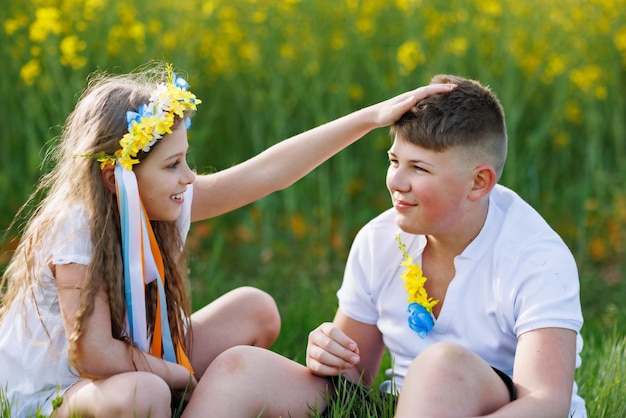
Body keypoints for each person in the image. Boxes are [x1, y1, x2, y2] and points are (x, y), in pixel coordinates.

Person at [0, 61, 454, 418]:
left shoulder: (161, 201)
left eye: (185, 158)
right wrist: (177, 375)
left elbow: (269, 173)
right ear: (116, 178)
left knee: (254, 307)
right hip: (58, 393)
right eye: (173, 164)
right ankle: (176, 399)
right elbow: (93, 354)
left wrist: (372, 118)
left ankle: (201, 405)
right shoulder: (75, 227)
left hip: (131, 362)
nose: (189, 175)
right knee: (145, 391)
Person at [194, 74, 586, 418]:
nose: (396, 182)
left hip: (500, 405)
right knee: (239, 369)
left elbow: (546, 402)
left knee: (440, 366)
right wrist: (326, 353)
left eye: (419, 168)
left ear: (479, 183)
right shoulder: (379, 238)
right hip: (397, 406)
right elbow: (353, 376)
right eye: (394, 160)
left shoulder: (536, 257)